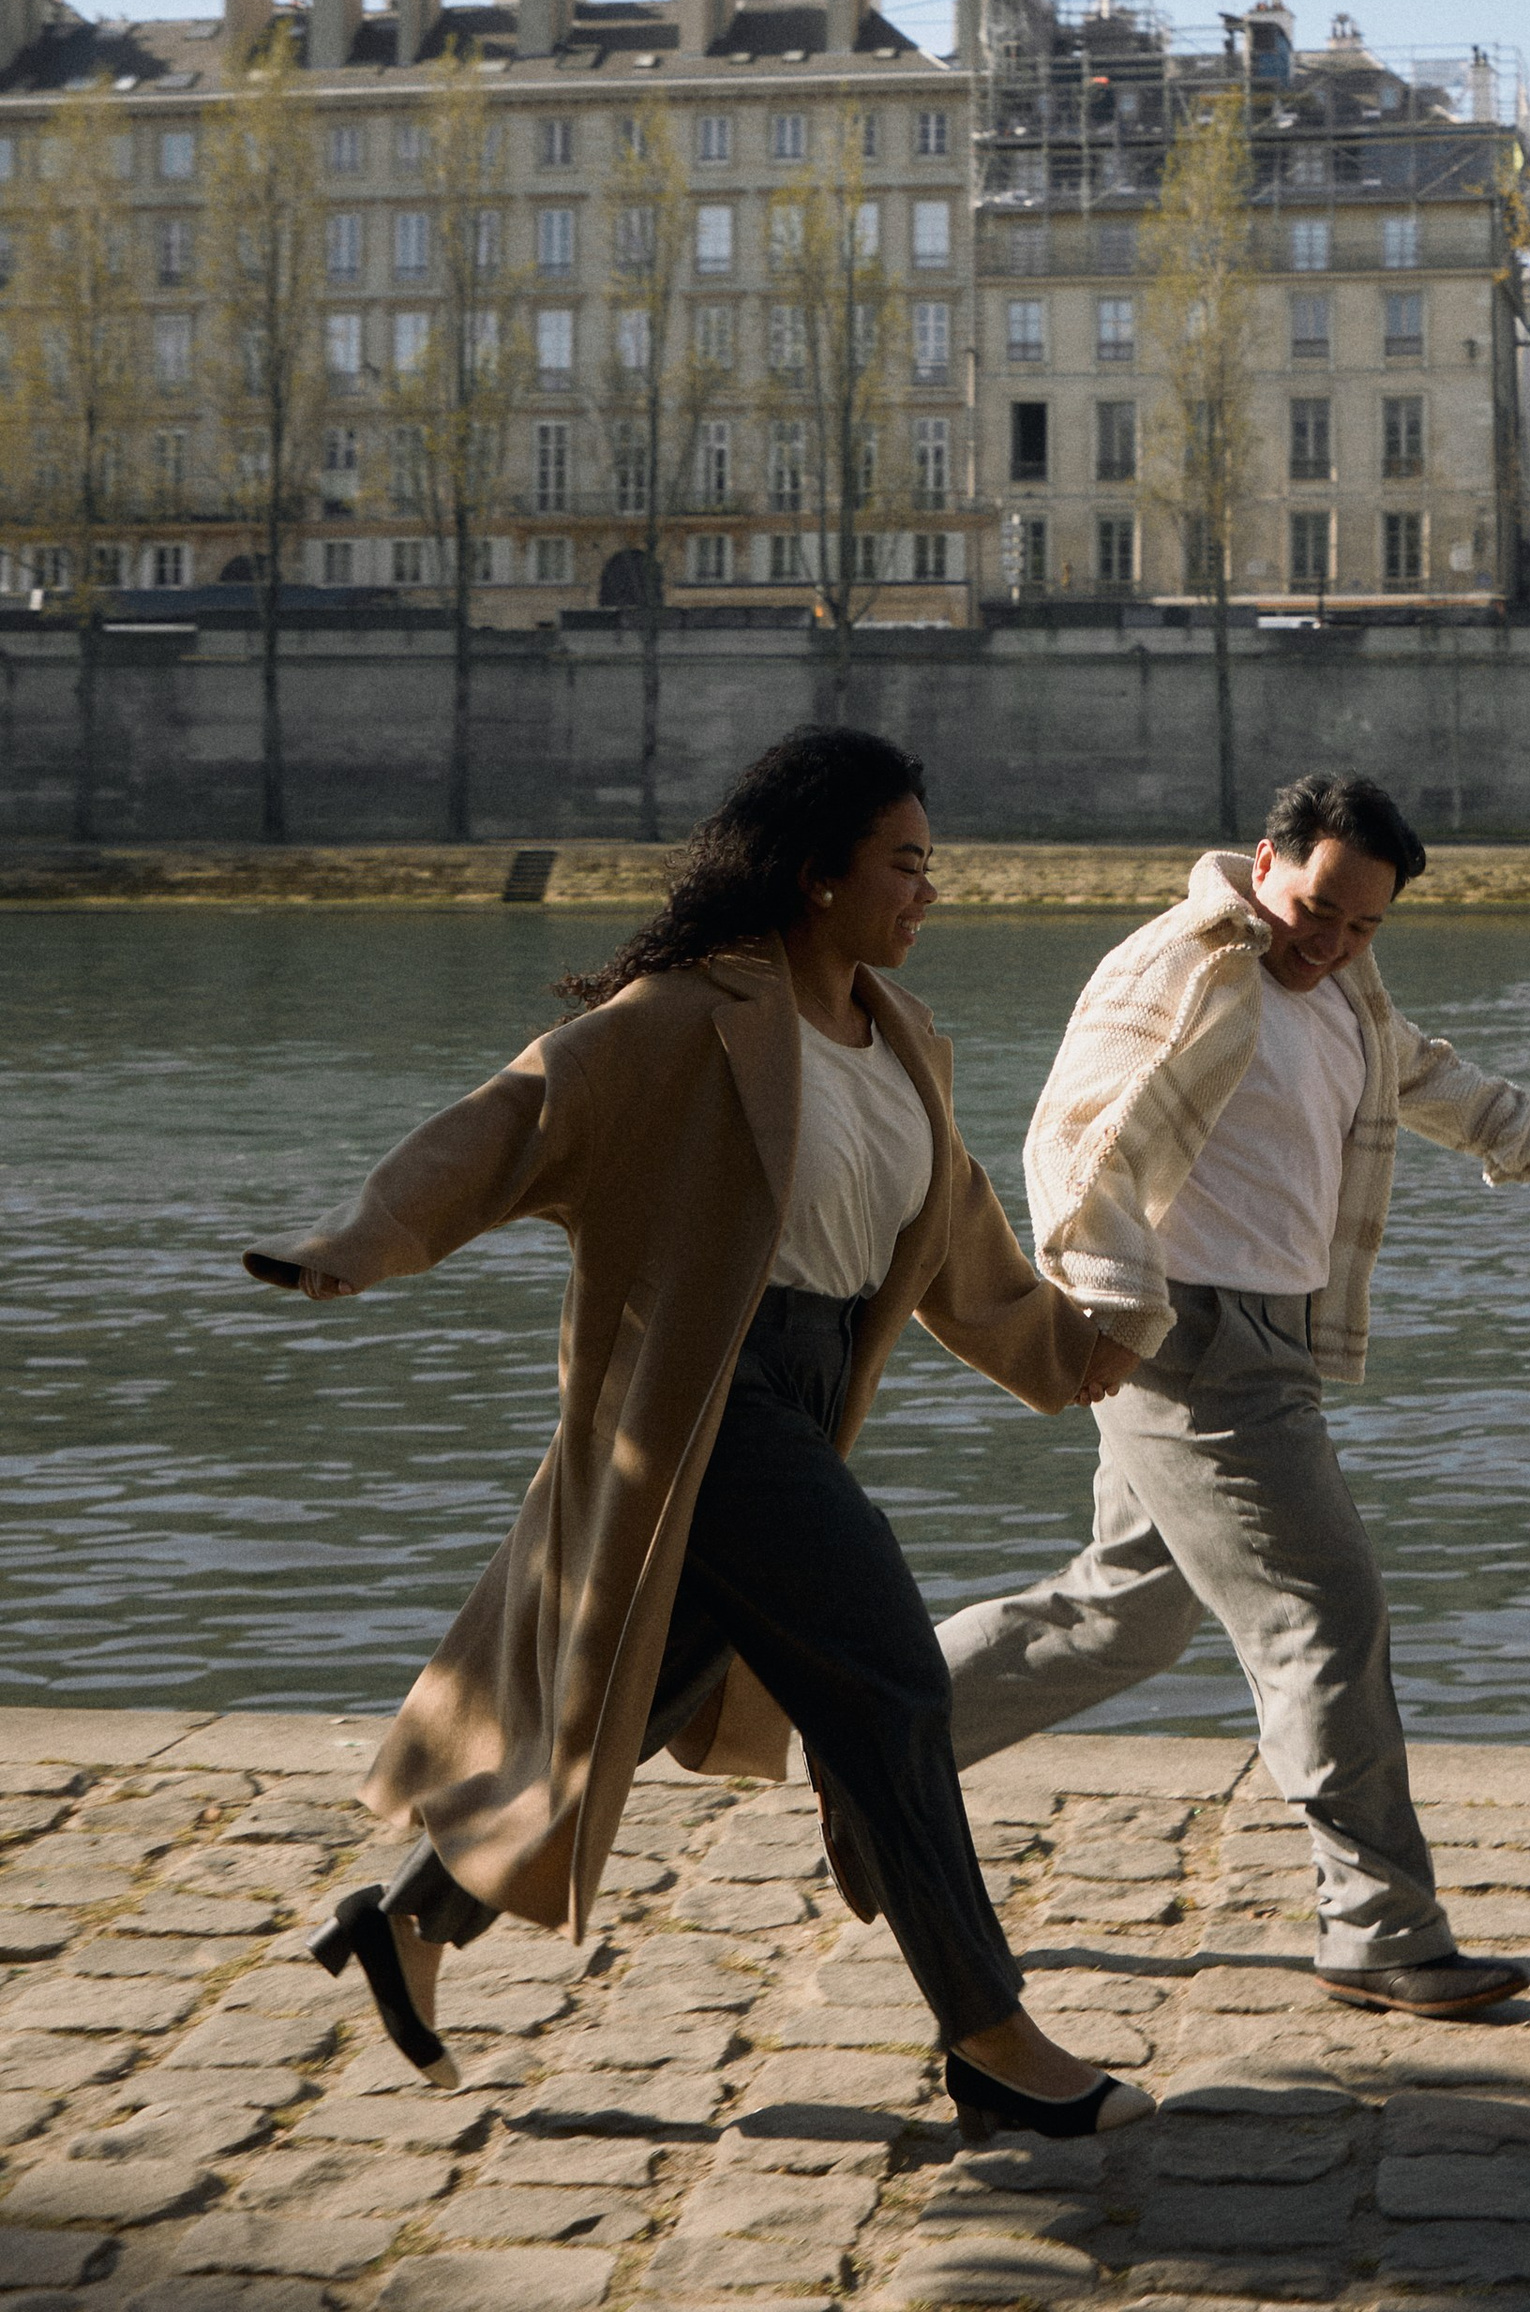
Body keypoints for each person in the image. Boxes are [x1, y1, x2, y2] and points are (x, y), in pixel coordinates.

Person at [243, 726, 1148, 2148]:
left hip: (812, 1384)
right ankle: (991, 2037)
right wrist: (359, 1242)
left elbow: (956, 1245)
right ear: (815, 878)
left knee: (656, 1677)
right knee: (892, 1686)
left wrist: (1074, 1352)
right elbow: (514, 1118)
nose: (930, 892)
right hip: (704, 1398)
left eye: (931, 866)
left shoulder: (904, 1040)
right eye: (905, 864)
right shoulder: (684, 1018)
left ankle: (411, 1920)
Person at [936, 769, 1530, 2022]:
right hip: (1188, 1340)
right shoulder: (1183, 965)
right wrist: (1105, 1311)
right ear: (1266, 861)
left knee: (1125, 1615)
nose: (1331, 940)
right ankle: (1379, 1929)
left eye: (1364, 923)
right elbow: (1070, 1137)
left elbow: (1408, 1067)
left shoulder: (1336, 987)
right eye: (1318, 907)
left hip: (1263, 1338)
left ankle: (880, 1742)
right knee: (1326, 1612)